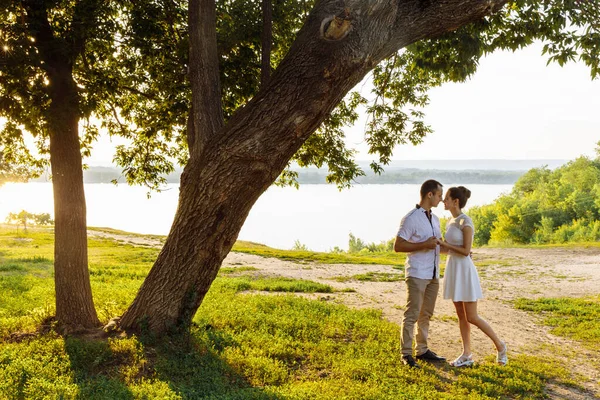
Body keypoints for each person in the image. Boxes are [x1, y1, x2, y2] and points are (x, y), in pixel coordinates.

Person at [439, 186, 508, 367]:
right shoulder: (449, 221)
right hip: (453, 269)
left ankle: (500, 346)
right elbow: (448, 249)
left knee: (472, 316)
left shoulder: (465, 222)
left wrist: (444, 244)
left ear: (456, 201)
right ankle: (466, 353)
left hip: (464, 270)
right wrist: (435, 245)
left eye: (446, 198)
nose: (443, 201)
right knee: (460, 315)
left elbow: (466, 251)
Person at [394, 179, 446, 368]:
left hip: (433, 274)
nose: (441, 200)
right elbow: (398, 246)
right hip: (417, 273)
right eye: (439, 195)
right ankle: (406, 354)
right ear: (429, 195)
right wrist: (424, 244)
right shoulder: (411, 218)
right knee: (412, 313)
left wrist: (461, 251)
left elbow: (439, 244)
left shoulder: (435, 219)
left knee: (426, 314)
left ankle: (422, 350)